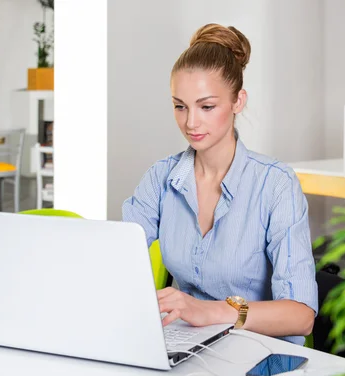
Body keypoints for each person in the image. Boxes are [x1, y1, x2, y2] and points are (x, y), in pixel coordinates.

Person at [122, 23, 318, 345]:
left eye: (207, 106)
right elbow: (118, 258)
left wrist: (210, 311)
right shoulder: (160, 178)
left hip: (256, 355)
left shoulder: (276, 185)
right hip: (184, 345)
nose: (191, 122)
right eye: (180, 106)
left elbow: (301, 315)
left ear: (238, 101)